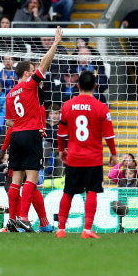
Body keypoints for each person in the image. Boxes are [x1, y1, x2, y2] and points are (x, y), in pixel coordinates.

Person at [5, 27, 63, 233]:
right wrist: (55, 43)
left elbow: (9, 123)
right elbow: (45, 64)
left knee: (16, 179)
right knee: (32, 178)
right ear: (27, 73)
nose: (35, 69)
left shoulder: (10, 94)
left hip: (17, 135)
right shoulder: (30, 85)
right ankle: (23, 218)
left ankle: (15, 221)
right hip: (30, 135)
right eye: (33, 68)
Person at [56, 70, 117, 238]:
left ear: (78, 85)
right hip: (93, 158)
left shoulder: (68, 105)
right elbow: (109, 135)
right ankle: (87, 229)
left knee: (68, 191)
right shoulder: (101, 107)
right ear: (95, 86)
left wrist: (61, 150)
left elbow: (60, 134)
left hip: (74, 157)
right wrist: (113, 153)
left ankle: (61, 229)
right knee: (91, 191)